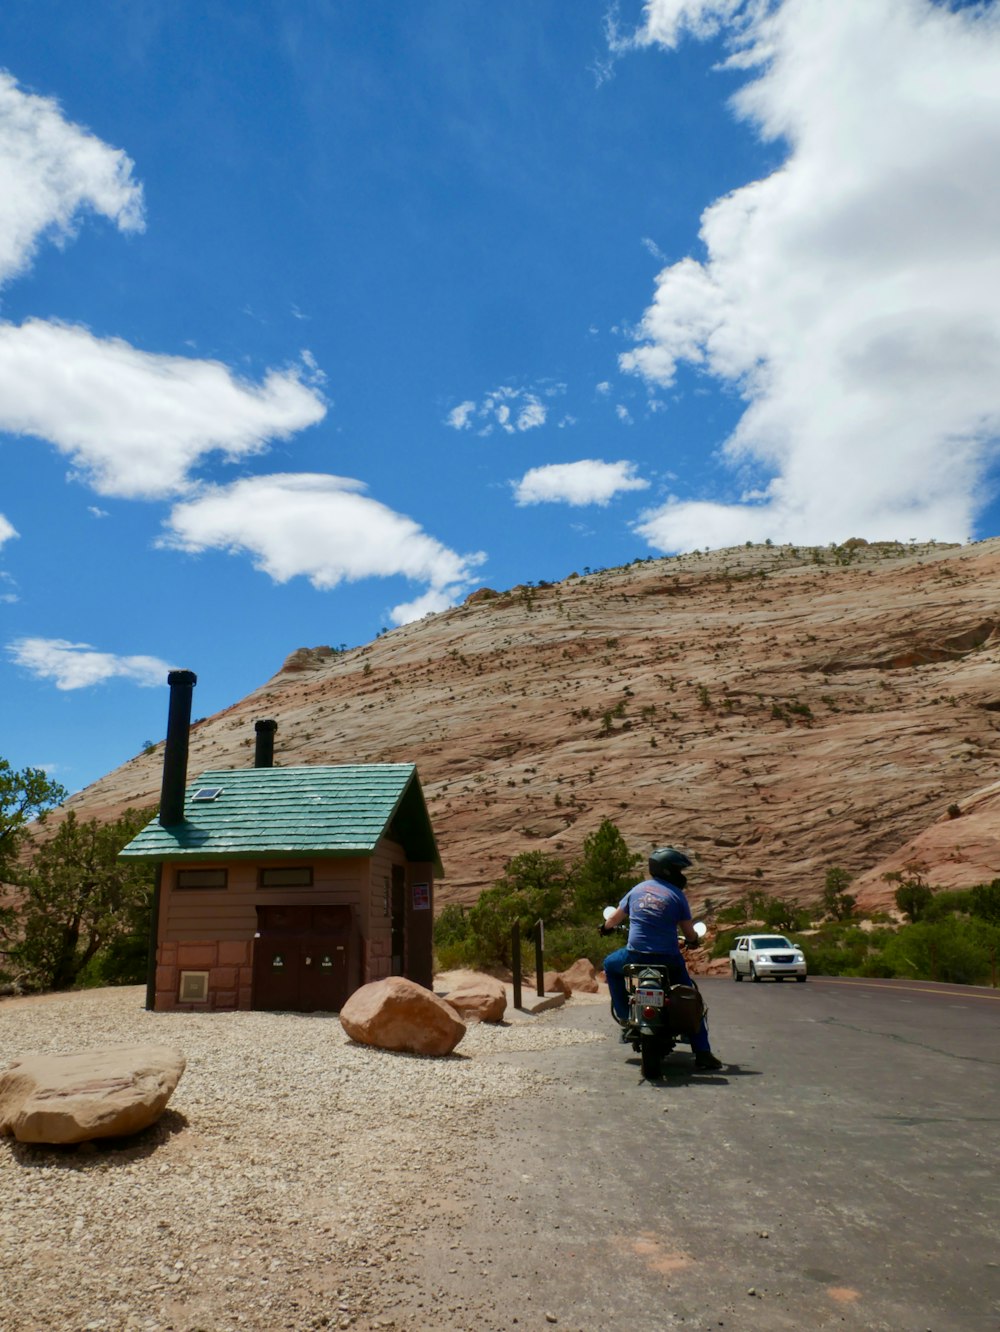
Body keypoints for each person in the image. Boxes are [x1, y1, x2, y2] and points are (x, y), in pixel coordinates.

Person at [601, 846, 723, 1071]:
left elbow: (614, 919)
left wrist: (605, 928)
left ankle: (625, 1014)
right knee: (691, 998)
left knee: (610, 965)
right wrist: (694, 939)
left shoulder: (636, 890)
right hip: (668, 959)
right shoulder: (677, 896)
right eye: (678, 870)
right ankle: (703, 1053)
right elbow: (688, 932)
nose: (681, 875)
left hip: (634, 956)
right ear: (668, 871)